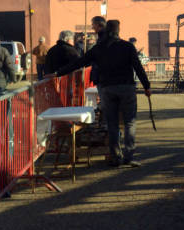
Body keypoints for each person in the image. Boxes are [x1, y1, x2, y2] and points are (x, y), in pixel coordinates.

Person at [56, 19, 152, 168]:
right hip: (126, 87)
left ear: (106, 30)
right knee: (129, 122)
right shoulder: (128, 47)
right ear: (119, 31)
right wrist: (147, 86)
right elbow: (138, 67)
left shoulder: (99, 48)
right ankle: (129, 156)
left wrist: (57, 73)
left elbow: (80, 62)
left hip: (107, 89)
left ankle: (115, 157)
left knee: (112, 124)